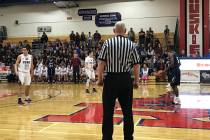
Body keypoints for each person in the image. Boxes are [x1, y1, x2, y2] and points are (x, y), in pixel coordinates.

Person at [97, 21, 140, 140]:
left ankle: (107, 138)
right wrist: (136, 81)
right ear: (125, 31)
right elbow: (136, 65)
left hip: (110, 79)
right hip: (126, 79)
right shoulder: (131, 44)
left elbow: (101, 62)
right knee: (127, 112)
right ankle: (128, 137)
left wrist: (100, 79)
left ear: (113, 31)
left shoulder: (107, 43)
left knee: (108, 112)